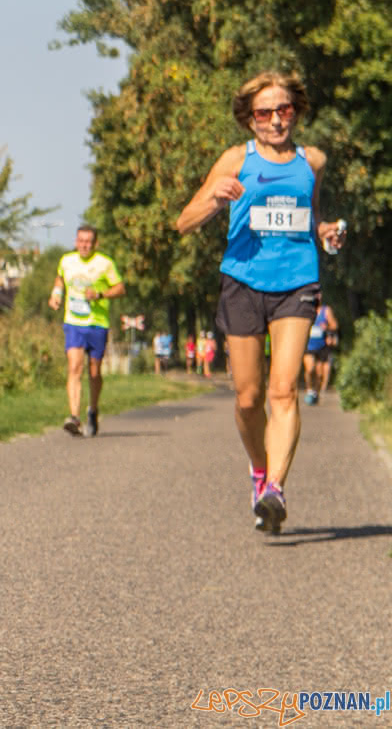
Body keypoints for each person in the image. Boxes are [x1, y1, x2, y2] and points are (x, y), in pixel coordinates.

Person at [175, 72, 345, 534]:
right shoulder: (236, 159)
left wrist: (324, 232)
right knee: (249, 398)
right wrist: (214, 197)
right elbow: (184, 222)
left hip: (297, 283)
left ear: (296, 112)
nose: (275, 120)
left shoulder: (313, 160)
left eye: (284, 110)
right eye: (264, 113)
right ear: (250, 119)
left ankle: (275, 489)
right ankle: (259, 470)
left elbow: (305, 218)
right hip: (243, 282)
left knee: (283, 390)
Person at [48, 225, 125, 437]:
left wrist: (100, 295)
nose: (84, 245)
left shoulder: (105, 263)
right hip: (73, 322)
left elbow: (120, 288)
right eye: (81, 240)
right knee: (75, 366)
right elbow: (60, 278)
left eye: (89, 241)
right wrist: (56, 294)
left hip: (97, 323)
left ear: (95, 243)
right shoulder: (66, 261)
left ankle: (93, 409)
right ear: (75, 241)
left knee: (94, 371)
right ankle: (74, 417)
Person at [302, 303, 339, 405]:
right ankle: (309, 390)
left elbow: (335, 325)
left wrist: (327, 326)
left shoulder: (325, 310)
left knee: (319, 374)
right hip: (308, 346)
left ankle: (316, 393)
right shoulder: (304, 308)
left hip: (322, 346)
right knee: (310, 369)